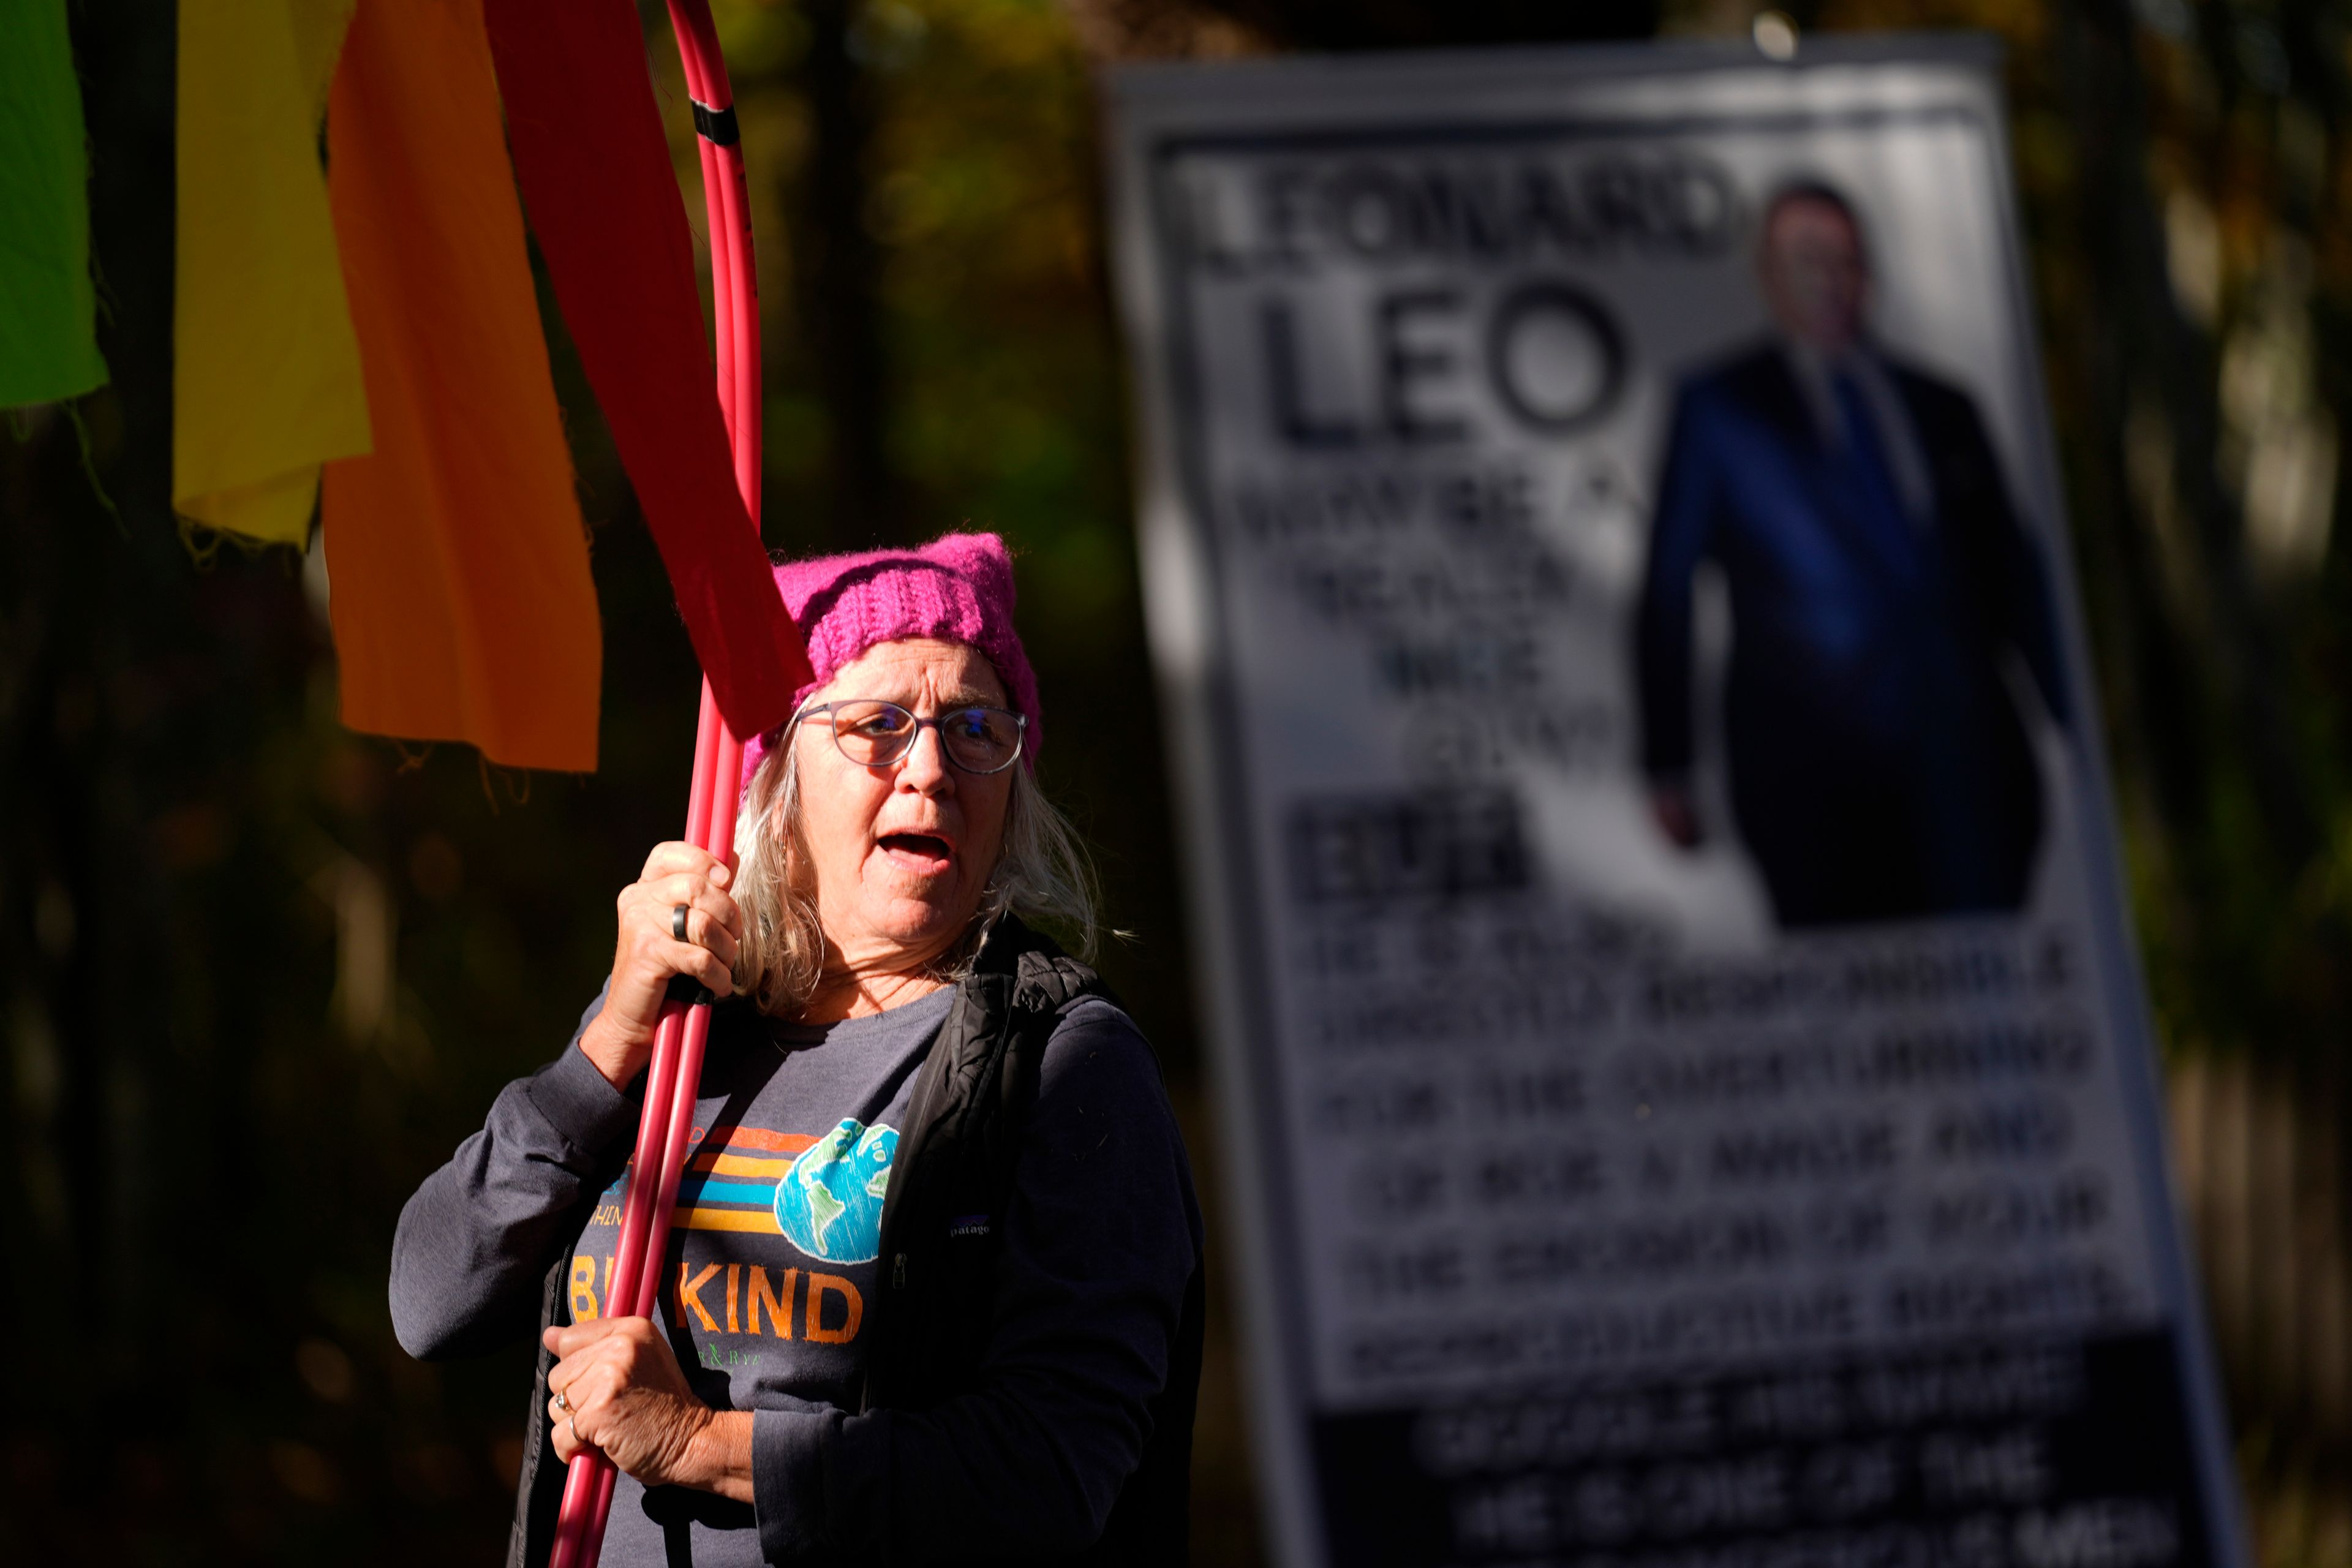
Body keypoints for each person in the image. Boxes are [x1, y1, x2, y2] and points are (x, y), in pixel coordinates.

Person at [390, 533, 1205, 1567]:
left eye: (974, 726)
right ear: (775, 772)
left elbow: (1047, 1479)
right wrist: (607, 1044)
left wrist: (701, 1444)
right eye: (876, 726)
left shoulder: (1062, 1065)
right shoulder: (679, 1023)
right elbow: (430, 1300)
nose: (931, 768)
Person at [1633, 179, 2071, 928]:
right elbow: (1667, 592)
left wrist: (2078, 721)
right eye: (1807, 257)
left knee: (1988, 1002)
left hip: (1970, 774)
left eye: (1845, 258)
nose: (1829, 278)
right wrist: (1669, 764)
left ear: (1868, 272)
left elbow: (2013, 578)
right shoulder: (1719, 409)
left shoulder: (1943, 404)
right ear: (1768, 275)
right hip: (1813, 781)